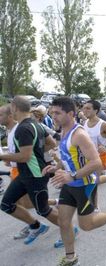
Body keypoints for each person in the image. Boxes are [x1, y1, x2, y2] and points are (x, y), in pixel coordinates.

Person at [43, 97, 106, 266]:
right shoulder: (63, 131)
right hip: (70, 184)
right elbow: (68, 156)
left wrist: (72, 176)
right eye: (52, 112)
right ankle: (71, 257)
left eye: (57, 113)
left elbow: (96, 162)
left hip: (84, 185)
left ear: (70, 113)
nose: (53, 116)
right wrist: (56, 166)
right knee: (63, 221)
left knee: (86, 225)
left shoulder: (79, 134)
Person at [0, 96, 59, 245]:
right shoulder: (35, 124)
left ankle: (69, 228)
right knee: (6, 204)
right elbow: (51, 143)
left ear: (14, 109)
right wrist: (36, 151)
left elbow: (25, 156)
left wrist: (2, 156)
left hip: (35, 175)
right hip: (25, 175)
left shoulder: (23, 128)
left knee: (43, 210)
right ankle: (35, 226)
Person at [82, 100, 106, 171]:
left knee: (96, 180)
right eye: (84, 108)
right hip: (86, 159)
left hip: (100, 160)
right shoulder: (84, 123)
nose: (85, 110)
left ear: (96, 111)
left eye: (88, 108)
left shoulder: (103, 124)